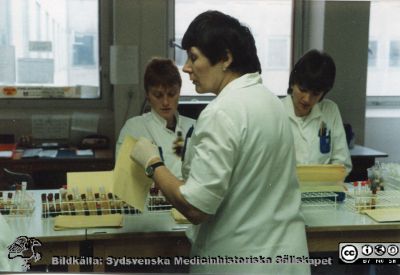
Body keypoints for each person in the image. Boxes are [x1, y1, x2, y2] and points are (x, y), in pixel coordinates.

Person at [131, 11, 310, 274]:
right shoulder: (270, 101)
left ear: (225, 58)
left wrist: (153, 163)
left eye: (193, 57)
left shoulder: (222, 111)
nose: (186, 67)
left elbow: (195, 207)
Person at [116, 58, 195, 179]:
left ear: (179, 92)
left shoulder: (194, 127)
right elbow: (125, 178)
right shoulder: (134, 128)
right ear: (147, 95)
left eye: (171, 94)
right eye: (158, 95)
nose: (165, 102)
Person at [281, 49, 352, 175]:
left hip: (322, 188)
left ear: (323, 93)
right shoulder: (276, 111)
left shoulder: (330, 110)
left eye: (315, 94)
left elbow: (342, 162)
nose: (307, 99)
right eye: (303, 90)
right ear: (292, 83)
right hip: (285, 191)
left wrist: (323, 183)